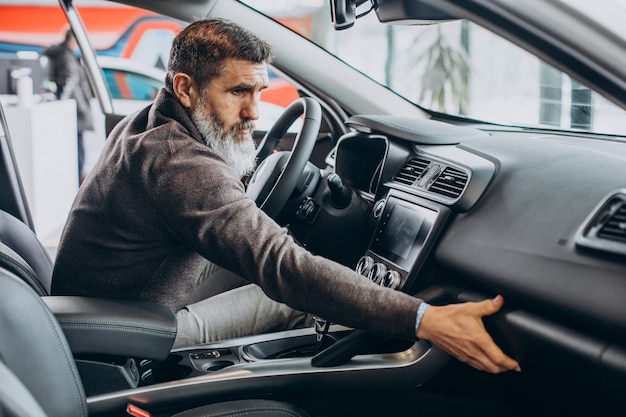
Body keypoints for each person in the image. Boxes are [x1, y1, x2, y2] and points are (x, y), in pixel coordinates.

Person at [51, 18, 520, 374]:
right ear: (185, 88)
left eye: (259, 91)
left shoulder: (151, 124)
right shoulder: (179, 164)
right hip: (131, 331)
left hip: (118, 298)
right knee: (291, 295)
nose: (254, 112)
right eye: (238, 92)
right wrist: (420, 318)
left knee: (291, 265)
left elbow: (225, 200)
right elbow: (284, 267)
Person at [43, 28, 94, 184]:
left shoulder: (61, 54)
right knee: (77, 149)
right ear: (74, 40)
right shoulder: (66, 55)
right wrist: (78, 106)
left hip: (73, 108)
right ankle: (77, 182)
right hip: (75, 110)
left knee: (76, 147)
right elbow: (71, 81)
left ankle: (77, 180)